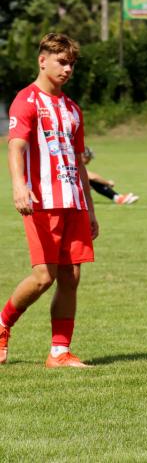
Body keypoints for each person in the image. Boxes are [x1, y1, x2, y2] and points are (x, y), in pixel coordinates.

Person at [0, 33, 99, 368]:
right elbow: (16, 147)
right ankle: (3, 324)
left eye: (71, 64)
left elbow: (79, 163)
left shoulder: (72, 109)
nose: (68, 69)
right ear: (42, 61)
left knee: (71, 277)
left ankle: (59, 352)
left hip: (74, 202)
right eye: (61, 62)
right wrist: (19, 186)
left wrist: (91, 209)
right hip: (41, 201)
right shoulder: (26, 100)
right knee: (44, 276)